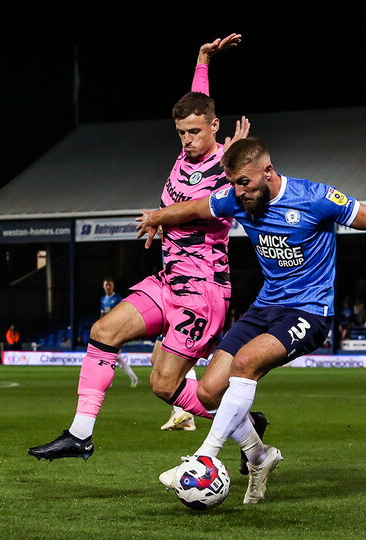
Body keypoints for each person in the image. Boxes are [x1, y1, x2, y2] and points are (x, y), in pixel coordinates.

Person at [141, 137, 366, 503]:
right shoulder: (237, 198)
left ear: (268, 172)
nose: (237, 192)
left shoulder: (316, 198)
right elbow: (195, 207)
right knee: (209, 391)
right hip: (265, 308)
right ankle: (260, 456)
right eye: (233, 184)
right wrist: (156, 217)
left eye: (244, 182)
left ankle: (203, 457)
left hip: (309, 311)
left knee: (245, 364)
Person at [28, 33, 263, 463]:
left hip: (204, 293)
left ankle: (247, 432)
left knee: (163, 385)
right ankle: (80, 434)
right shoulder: (186, 154)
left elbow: (205, 209)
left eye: (194, 132)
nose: (186, 140)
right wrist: (203, 60)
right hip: (170, 280)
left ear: (215, 128)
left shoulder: (228, 168)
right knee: (103, 332)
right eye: (180, 133)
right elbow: (200, 100)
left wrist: (160, 216)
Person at [100, 277, 140, 388]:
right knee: (114, 357)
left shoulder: (118, 299)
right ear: (103, 287)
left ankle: (109, 382)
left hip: (116, 331)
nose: (108, 287)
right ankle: (134, 379)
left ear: (113, 286)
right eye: (106, 285)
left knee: (110, 356)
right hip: (107, 332)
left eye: (110, 285)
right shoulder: (103, 299)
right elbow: (102, 316)